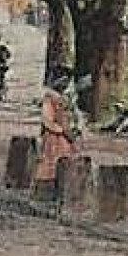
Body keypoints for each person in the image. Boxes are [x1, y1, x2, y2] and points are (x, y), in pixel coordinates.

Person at [34, 64, 79, 198]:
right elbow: (47, 120)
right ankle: (45, 193)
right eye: (64, 80)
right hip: (54, 137)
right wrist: (62, 130)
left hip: (64, 137)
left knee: (65, 161)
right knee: (50, 163)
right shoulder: (50, 98)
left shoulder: (64, 98)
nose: (66, 84)